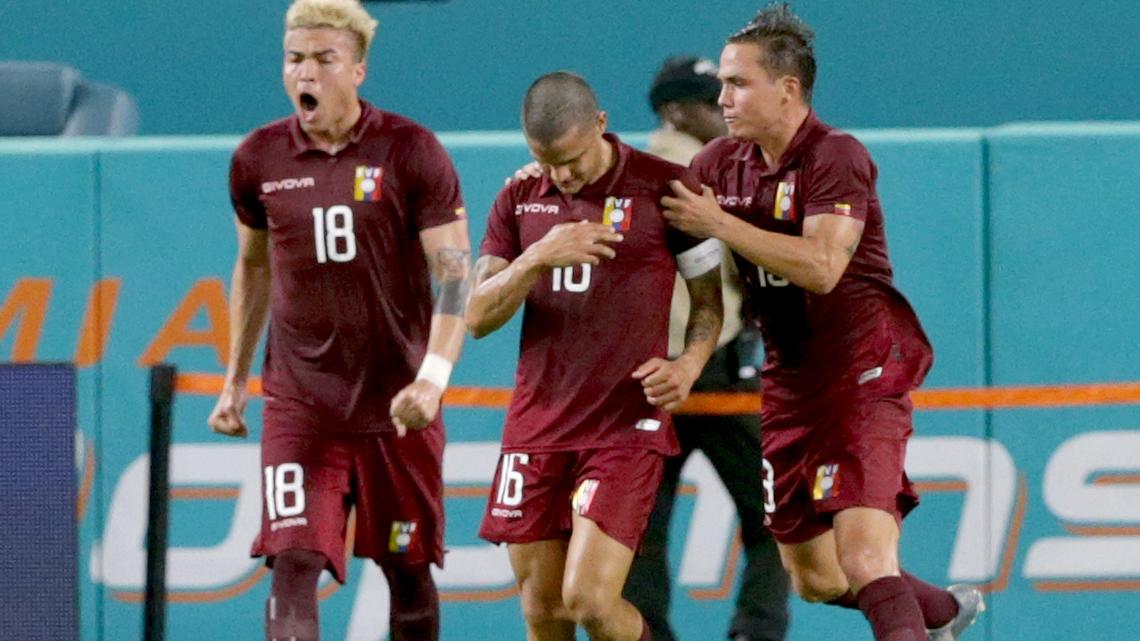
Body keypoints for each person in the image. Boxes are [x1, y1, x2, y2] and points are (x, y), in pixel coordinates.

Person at [659, 5, 985, 641]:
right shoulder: (721, 163)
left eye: (737, 83)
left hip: (863, 370)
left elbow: (822, 265)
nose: (721, 97)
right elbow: (647, 196)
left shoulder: (836, 155)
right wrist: (562, 172)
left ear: (787, 89)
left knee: (865, 558)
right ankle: (942, 614)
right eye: (722, 83)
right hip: (790, 382)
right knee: (817, 578)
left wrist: (721, 224)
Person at [206, 1, 471, 640]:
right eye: (296, 59)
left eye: (325, 59)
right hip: (303, 405)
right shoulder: (256, 158)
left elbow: (457, 272)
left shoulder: (411, 149)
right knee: (293, 562)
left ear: (358, 69)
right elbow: (253, 269)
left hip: (396, 406)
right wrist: (234, 379)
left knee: (406, 571)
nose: (308, 73)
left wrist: (432, 379)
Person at [466, 71, 725, 641]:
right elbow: (478, 317)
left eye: (573, 160)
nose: (561, 176)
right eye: (546, 162)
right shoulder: (518, 197)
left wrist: (688, 365)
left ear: (602, 126)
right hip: (536, 427)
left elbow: (710, 305)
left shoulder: (667, 187)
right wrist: (534, 259)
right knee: (543, 613)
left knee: (587, 600)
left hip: (623, 424)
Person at [622, 55, 791, 641]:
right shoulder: (702, 170)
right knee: (778, 518)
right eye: (706, 100)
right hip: (710, 365)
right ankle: (756, 632)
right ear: (674, 110)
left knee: (641, 528)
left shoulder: (622, 170)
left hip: (641, 374)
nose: (721, 111)